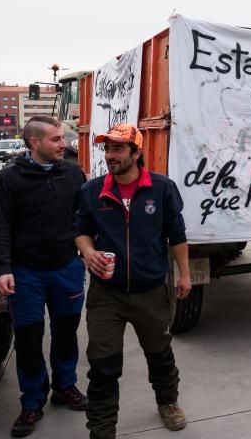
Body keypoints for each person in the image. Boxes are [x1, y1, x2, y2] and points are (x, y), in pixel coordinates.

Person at [74, 124, 191, 439]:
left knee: (159, 353)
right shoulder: (91, 191)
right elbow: (81, 230)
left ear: (137, 153)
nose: (110, 155)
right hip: (106, 294)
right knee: (102, 365)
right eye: (107, 148)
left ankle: (168, 402)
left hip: (151, 290)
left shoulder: (162, 189)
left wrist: (185, 274)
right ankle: (101, 429)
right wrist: (87, 251)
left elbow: (176, 235)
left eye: (118, 149)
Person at [0, 115, 88, 437]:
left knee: (66, 332)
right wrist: (2, 268)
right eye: (56, 139)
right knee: (29, 339)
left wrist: (88, 252)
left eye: (63, 138)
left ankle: (65, 387)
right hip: (25, 273)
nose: (64, 144)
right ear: (35, 143)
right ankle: (32, 401)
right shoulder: (10, 179)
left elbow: (84, 218)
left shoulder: (73, 173)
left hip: (66, 269)